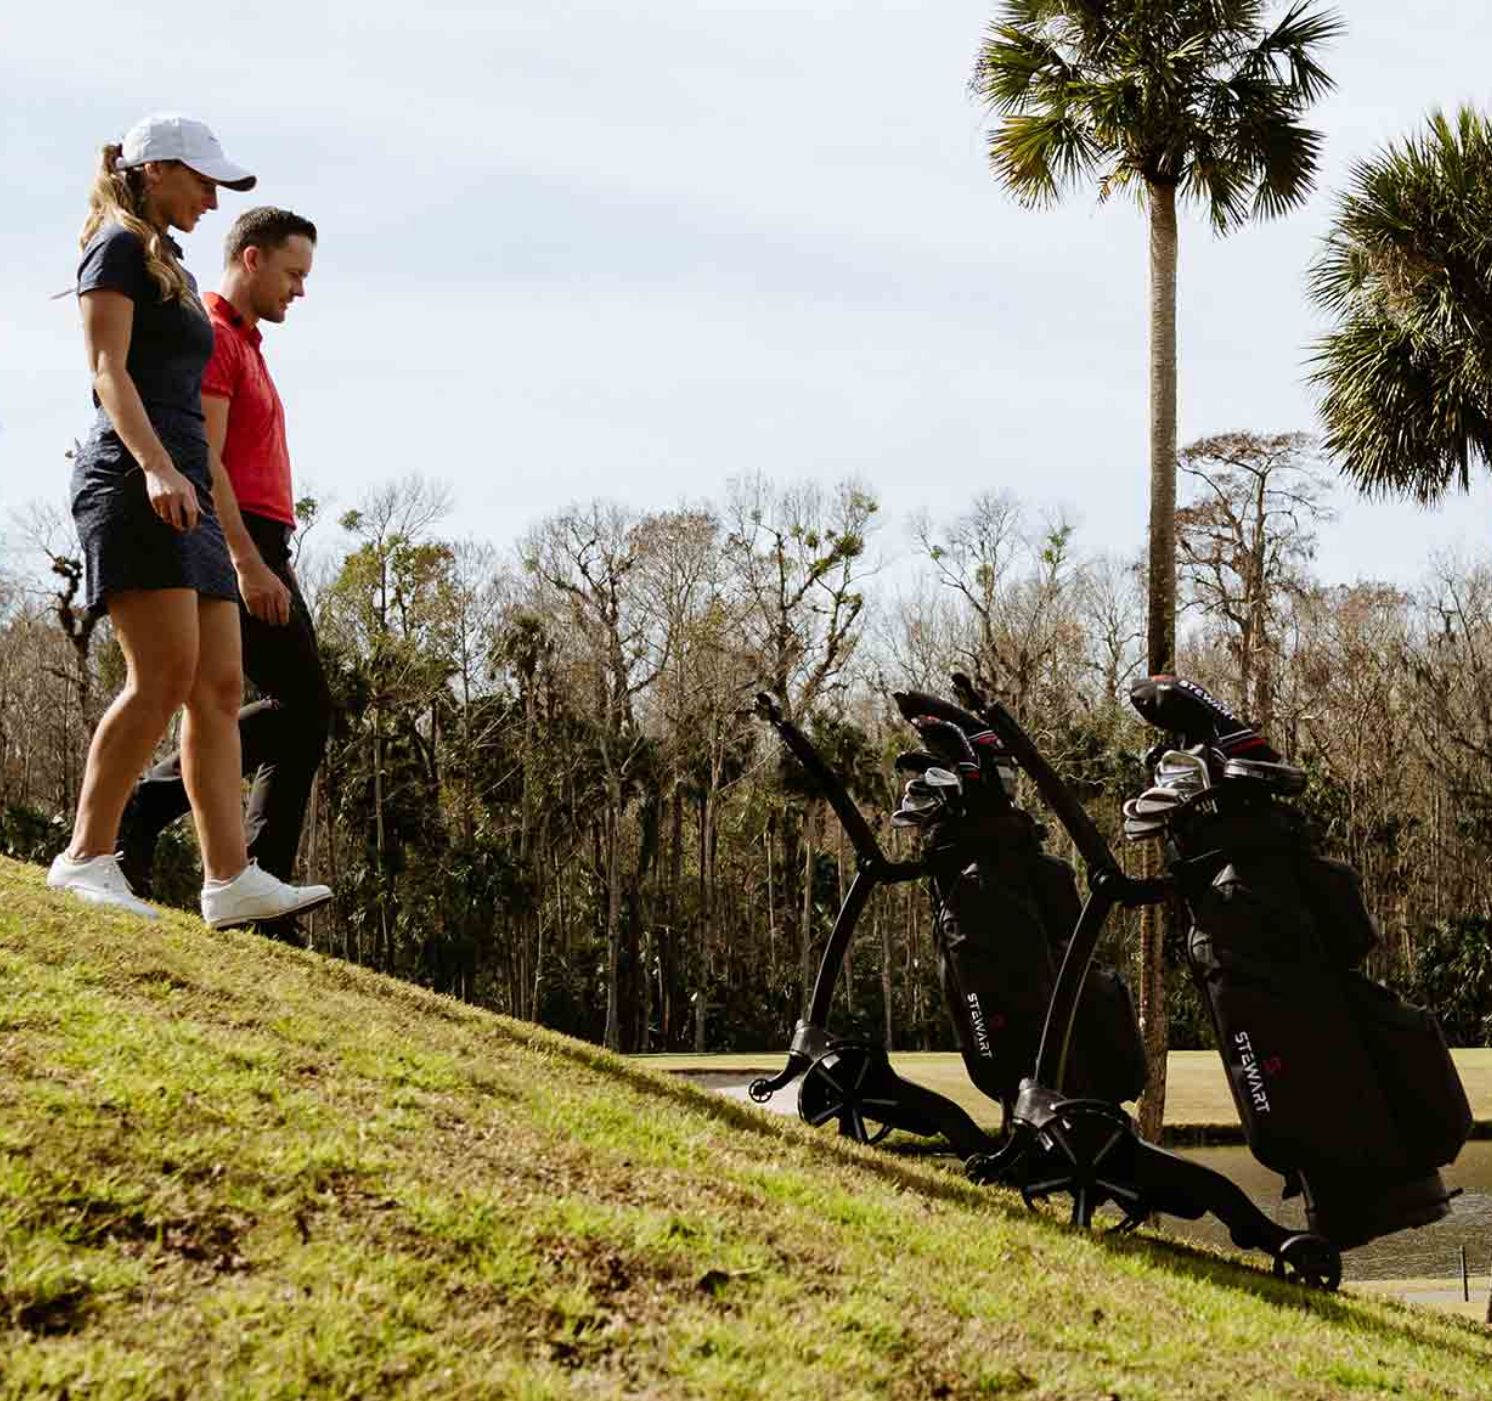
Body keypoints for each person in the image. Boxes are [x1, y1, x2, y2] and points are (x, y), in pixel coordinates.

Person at [46, 113, 332, 932]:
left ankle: (230, 877)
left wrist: (188, 480)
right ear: (158, 169)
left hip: (187, 493)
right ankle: (86, 856)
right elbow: (106, 368)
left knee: (219, 689)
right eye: (203, 181)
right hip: (137, 483)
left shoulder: (163, 258)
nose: (214, 198)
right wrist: (157, 467)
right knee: (163, 677)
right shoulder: (118, 245)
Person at [119, 207, 331, 933]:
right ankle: (161, 823)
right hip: (238, 543)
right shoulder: (212, 334)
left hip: (265, 541)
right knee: (298, 704)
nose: (299, 290)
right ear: (251, 259)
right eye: (293, 273)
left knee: (296, 708)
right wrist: (246, 562)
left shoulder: (248, 342)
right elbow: (203, 457)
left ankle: (239, 875)